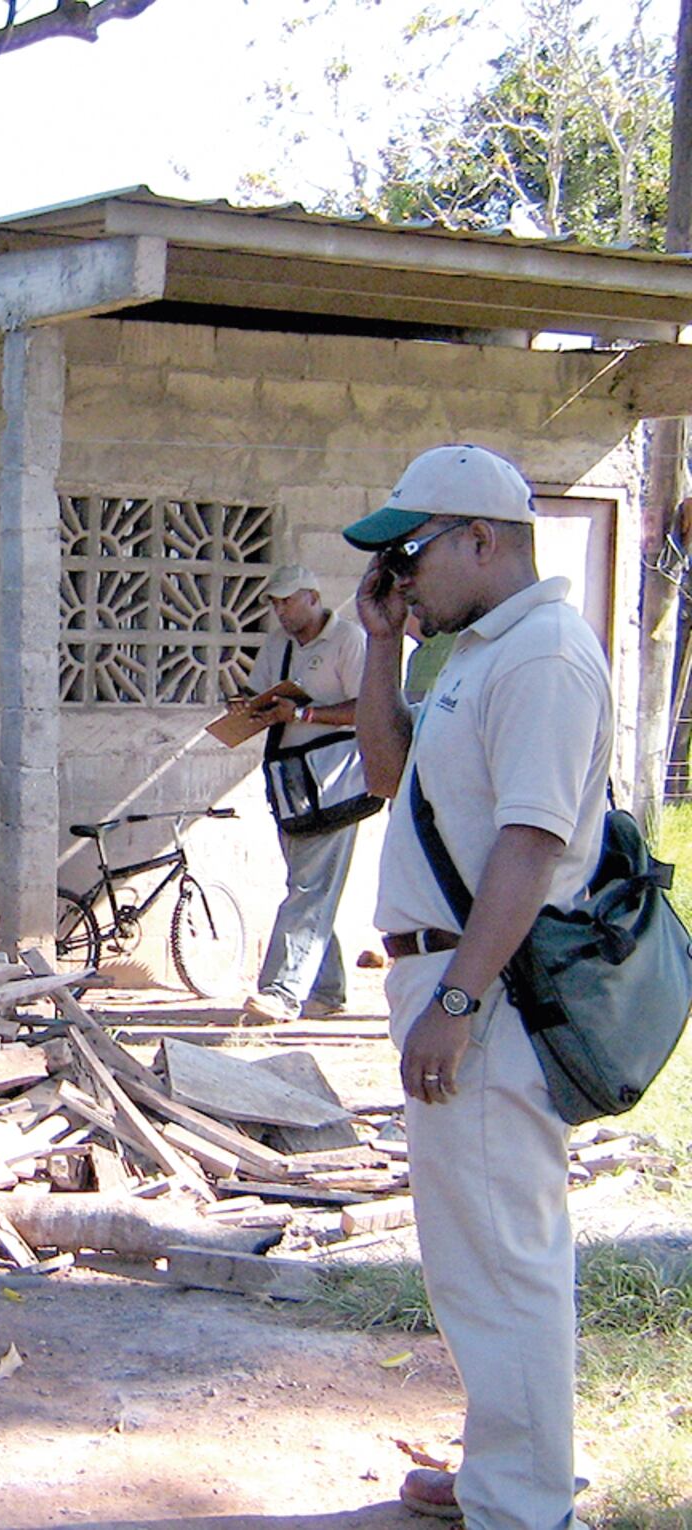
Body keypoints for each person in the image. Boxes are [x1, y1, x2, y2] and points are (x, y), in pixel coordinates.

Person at [346, 443, 610, 1530]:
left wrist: (457, 1003)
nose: (400, 580)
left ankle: (525, 1505)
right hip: (449, 974)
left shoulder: (543, 654)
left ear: (480, 539)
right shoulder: (477, 653)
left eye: (409, 555)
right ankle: (504, 1471)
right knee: (472, 1257)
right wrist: (378, 650)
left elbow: (533, 843)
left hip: (483, 986)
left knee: (506, 1257)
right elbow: (384, 776)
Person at [240, 563, 366, 1022]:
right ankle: (328, 992)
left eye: (287, 600)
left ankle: (282, 991)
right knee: (308, 884)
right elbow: (259, 694)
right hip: (289, 778)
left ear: (312, 596)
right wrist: (247, 711)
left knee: (309, 885)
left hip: (336, 779)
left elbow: (367, 708)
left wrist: (306, 716)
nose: (280, 610)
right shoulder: (277, 645)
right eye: (274, 602)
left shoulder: (349, 640)